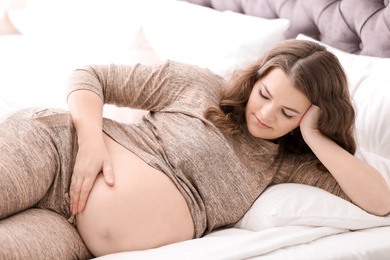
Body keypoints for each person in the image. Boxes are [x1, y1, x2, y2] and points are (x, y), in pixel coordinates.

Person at [1, 39, 389, 259]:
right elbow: (89, 76)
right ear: (255, 79)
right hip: (56, 152)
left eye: (288, 111)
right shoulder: (202, 87)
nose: (266, 114)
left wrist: (317, 137)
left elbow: (381, 202)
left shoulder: (286, 163)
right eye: (264, 93)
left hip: (73, 235)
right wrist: (89, 146)